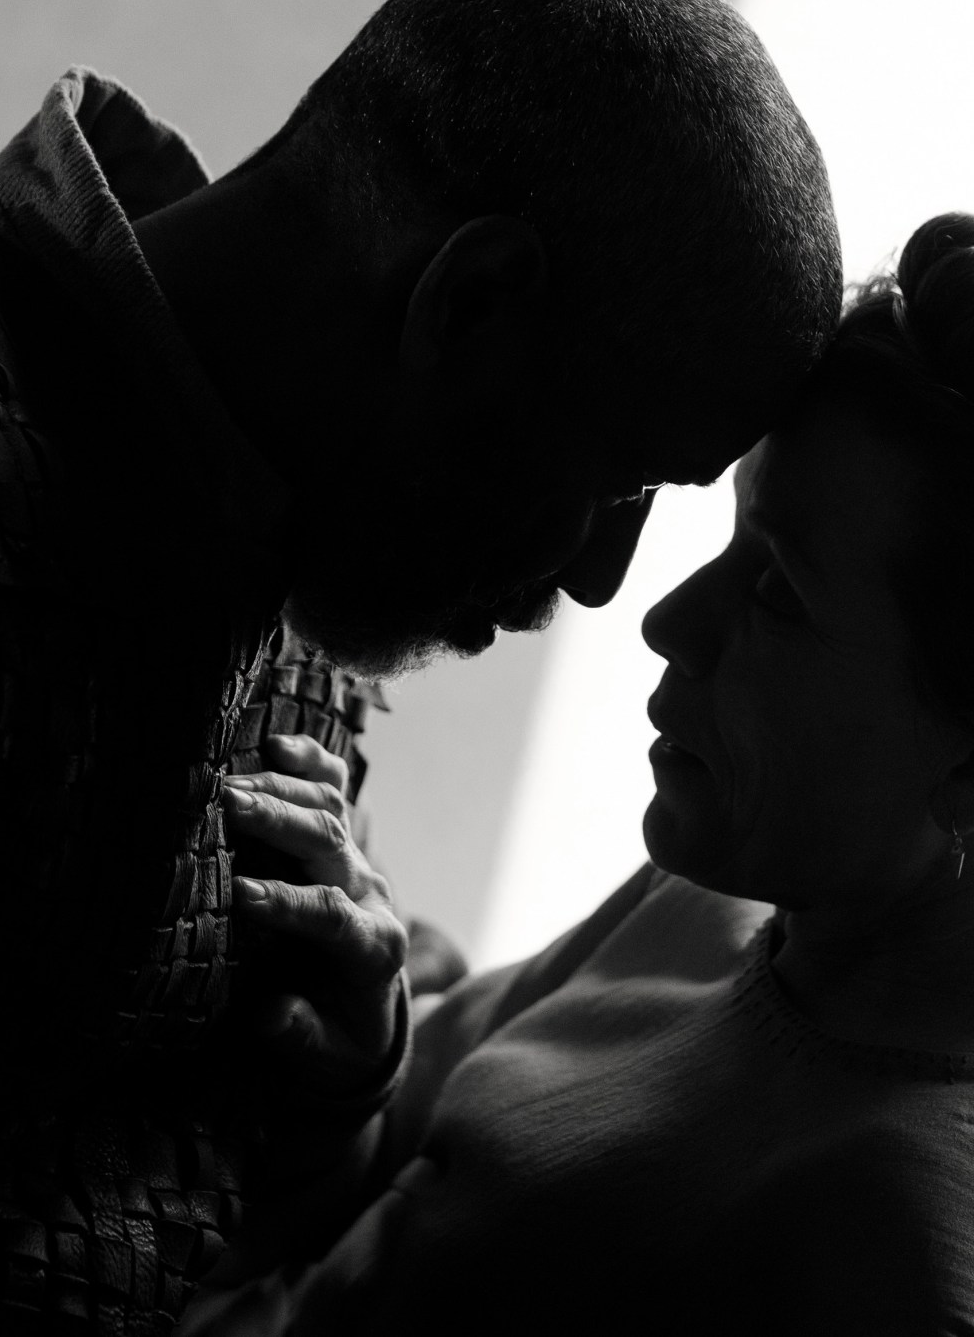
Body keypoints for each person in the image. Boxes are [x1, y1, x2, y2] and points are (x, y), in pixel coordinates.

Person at [0, 0, 840, 1336]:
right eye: (619, 485)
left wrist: (337, 1077)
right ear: (468, 303)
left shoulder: (283, 553)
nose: (609, 587)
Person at [180, 212, 974, 1336]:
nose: (664, 619)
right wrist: (356, 1051)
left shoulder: (899, 1266)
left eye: (779, 594)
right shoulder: (717, 895)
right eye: (731, 543)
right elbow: (374, 1200)